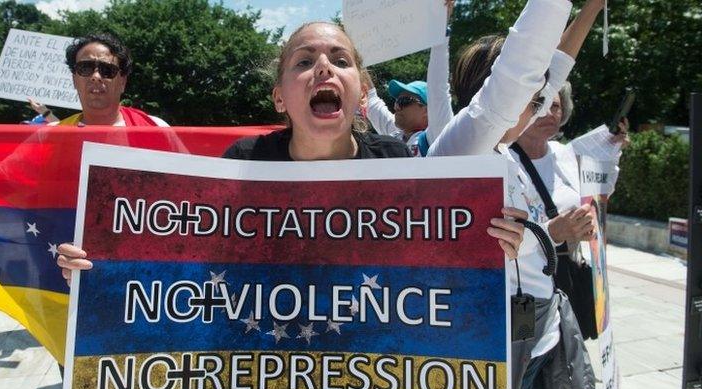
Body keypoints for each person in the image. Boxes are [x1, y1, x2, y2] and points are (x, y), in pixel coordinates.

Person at [57, 21, 528, 290]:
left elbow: (437, 264)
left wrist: (489, 240)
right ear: (280, 97)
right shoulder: (243, 162)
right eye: (304, 62)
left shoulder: (397, 163)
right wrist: (102, 259)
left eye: (340, 60)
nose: (324, 66)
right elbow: (185, 257)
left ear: (359, 91)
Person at [425, 0, 599, 389]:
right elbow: (520, 71)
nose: (541, 105)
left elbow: (555, 66)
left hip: (540, 337)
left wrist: (592, 8)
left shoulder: (507, 149)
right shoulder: (461, 148)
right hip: (499, 345)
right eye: (532, 96)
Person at [365, 0, 455, 156]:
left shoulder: (437, 136)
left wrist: (440, 30)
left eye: (404, 101)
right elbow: (371, 99)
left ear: (428, 110)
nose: (397, 107)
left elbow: (438, 89)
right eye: (398, 101)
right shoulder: (394, 134)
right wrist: (353, 54)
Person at [54, 33, 169, 127]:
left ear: (122, 82)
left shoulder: (156, 129)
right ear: (74, 80)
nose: (96, 77)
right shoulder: (50, 136)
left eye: (107, 70)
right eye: (85, 68)